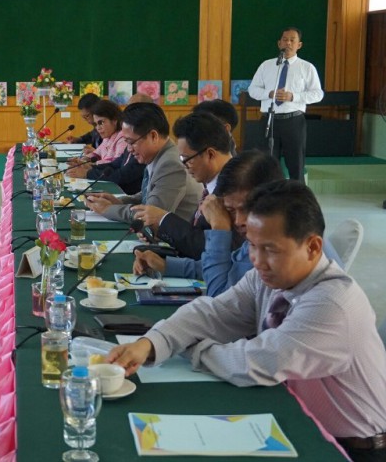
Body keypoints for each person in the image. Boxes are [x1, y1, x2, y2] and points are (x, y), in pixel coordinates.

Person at [109, 181, 386, 462]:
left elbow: (257, 362)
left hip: (353, 449)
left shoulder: (332, 303)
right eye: (252, 246)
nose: (258, 261)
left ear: (313, 247)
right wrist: (151, 342)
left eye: (271, 250)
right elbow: (213, 312)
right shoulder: (269, 277)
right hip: (299, 416)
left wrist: (190, 347)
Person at [134, 150, 283, 297]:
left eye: (246, 208)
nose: (239, 221)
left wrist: (219, 228)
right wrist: (165, 265)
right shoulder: (250, 244)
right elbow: (224, 266)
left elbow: (219, 295)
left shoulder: (274, 247)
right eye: (231, 210)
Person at [132, 113, 236, 260]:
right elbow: (196, 235)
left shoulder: (235, 189)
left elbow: (211, 248)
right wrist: (160, 231)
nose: (184, 165)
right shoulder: (212, 183)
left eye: (186, 159)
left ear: (210, 154)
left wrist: (163, 220)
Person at [86, 102, 202, 223]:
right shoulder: (160, 152)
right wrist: (119, 202)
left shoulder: (171, 164)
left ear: (153, 136)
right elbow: (149, 193)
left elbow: (150, 214)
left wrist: (107, 209)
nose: (129, 149)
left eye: (131, 142)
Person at [248, 27, 324, 183]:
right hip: (269, 120)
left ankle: (297, 196)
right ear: (279, 43)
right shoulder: (266, 65)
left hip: (293, 121)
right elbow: (252, 90)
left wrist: (293, 96)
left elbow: (318, 94)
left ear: (299, 45)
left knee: (296, 164)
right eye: (285, 40)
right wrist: (269, 94)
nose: (288, 43)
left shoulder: (307, 67)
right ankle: (269, 195)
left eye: (292, 40)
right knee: (267, 165)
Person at [68, 100, 127, 178]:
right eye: (96, 124)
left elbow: (114, 164)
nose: (98, 128)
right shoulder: (108, 137)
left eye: (101, 123)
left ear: (114, 120)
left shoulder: (123, 138)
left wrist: (90, 165)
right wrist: (83, 160)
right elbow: (96, 153)